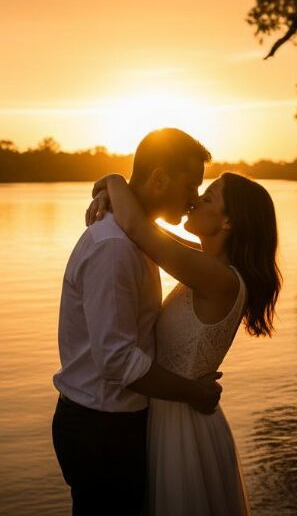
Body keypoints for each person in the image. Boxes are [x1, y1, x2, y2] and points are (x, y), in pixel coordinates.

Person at [87, 170, 282, 516]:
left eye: (207, 199)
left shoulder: (218, 277)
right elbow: (147, 231)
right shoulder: (208, 265)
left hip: (184, 424)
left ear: (227, 223)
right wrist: (112, 200)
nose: (195, 201)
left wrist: (114, 181)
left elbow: (139, 230)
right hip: (176, 411)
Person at [52, 128, 223, 516]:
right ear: (159, 178)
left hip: (116, 423)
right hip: (101, 428)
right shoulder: (113, 248)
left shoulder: (139, 237)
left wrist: (112, 183)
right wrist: (192, 392)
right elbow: (116, 360)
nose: (194, 198)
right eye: (190, 185)